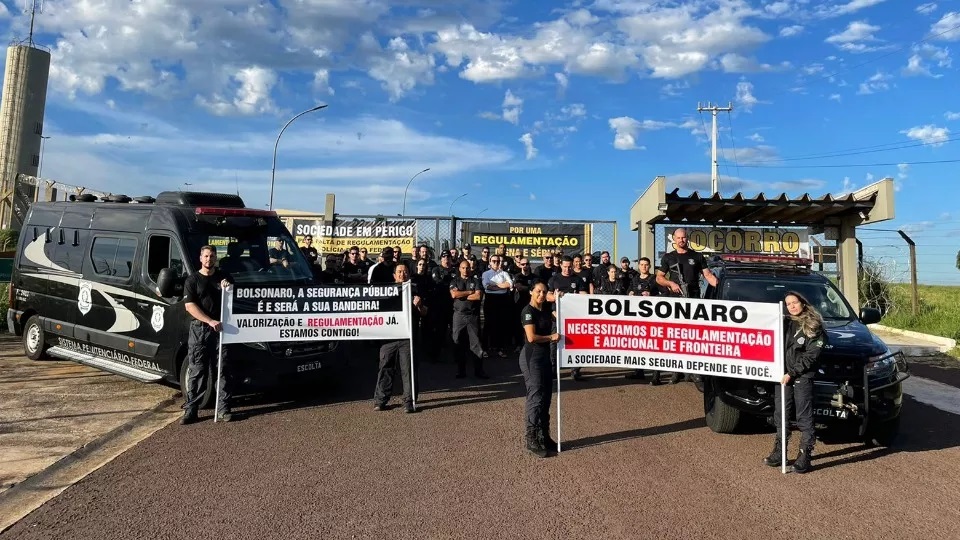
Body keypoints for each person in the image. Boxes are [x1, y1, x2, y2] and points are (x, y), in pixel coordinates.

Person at [764, 291, 826, 474]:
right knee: (781, 414)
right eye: (788, 303)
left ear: (803, 303)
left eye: (794, 302)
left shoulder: (814, 326)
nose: (791, 306)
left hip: (801, 377)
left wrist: (792, 372)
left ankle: (804, 455)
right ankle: (779, 452)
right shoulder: (783, 322)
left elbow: (811, 356)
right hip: (782, 376)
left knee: (804, 418)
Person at [181, 245, 235, 424]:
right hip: (200, 331)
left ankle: (223, 409)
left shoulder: (224, 277)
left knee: (223, 370)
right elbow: (190, 306)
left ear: (216, 258)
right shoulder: (192, 280)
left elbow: (236, 298)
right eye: (206, 256)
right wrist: (209, 321)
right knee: (197, 371)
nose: (209, 259)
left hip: (222, 331)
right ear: (200, 258)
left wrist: (229, 287)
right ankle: (191, 410)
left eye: (212, 256)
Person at [656, 227, 718, 384]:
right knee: (676, 336)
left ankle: (694, 371)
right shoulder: (668, 257)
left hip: (694, 299)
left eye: (683, 238)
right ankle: (676, 371)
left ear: (687, 238)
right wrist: (671, 283)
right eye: (678, 238)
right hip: (676, 301)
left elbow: (708, 275)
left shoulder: (697, 256)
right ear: (674, 239)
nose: (681, 240)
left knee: (693, 336)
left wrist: (721, 286)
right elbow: (659, 277)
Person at [373, 264, 426, 414]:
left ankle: (409, 401)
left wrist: (419, 305)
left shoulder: (415, 290)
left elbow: (425, 312)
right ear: (394, 275)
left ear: (409, 274)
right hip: (389, 337)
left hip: (407, 338)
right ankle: (380, 400)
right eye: (399, 272)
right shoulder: (386, 292)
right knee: (385, 367)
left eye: (405, 272)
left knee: (408, 370)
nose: (402, 274)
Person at [519, 282, 561, 458]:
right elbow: (531, 337)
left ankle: (544, 435)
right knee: (535, 397)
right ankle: (532, 438)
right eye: (538, 291)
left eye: (544, 292)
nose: (541, 295)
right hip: (531, 358)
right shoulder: (528, 311)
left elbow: (562, 316)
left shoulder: (545, 310)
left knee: (546, 397)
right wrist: (552, 337)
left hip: (544, 357)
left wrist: (560, 301)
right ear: (531, 292)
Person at [547, 256, 589, 380]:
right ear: (561, 266)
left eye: (569, 266)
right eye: (565, 266)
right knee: (554, 344)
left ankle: (575, 370)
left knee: (576, 344)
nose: (567, 269)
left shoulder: (578, 279)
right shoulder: (554, 279)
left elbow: (584, 294)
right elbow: (548, 296)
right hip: (557, 316)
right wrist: (556, 297)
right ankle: (553, 370)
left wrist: (571, 296)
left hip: (573, 317)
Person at [450, 259, 487, 379]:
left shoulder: (476, 280)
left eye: (467, 268)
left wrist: (463, 294)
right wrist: (469, 292)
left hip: (472, 316)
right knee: (458, 342)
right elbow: (454, 295)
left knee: (476, 344)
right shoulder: (454, 280)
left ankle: (479, 371)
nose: (465, 270)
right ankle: (461, 371)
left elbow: (478, 296)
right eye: (463, 268)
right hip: (459, 316)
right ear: (459, 269)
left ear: (470, 269)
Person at [481, 254, 514, 358]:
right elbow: (487, 286)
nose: (496, 263)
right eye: (494, 261)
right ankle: (485, 349)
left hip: (502, 300)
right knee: (488, 324)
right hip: (490, 300)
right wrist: (501, 286)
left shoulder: (504, 273)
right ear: (490, 262)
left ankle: (500, 348)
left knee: (501, 324)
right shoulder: (486, 274)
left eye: (498, 261)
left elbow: (510, 284)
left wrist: (495, 286)